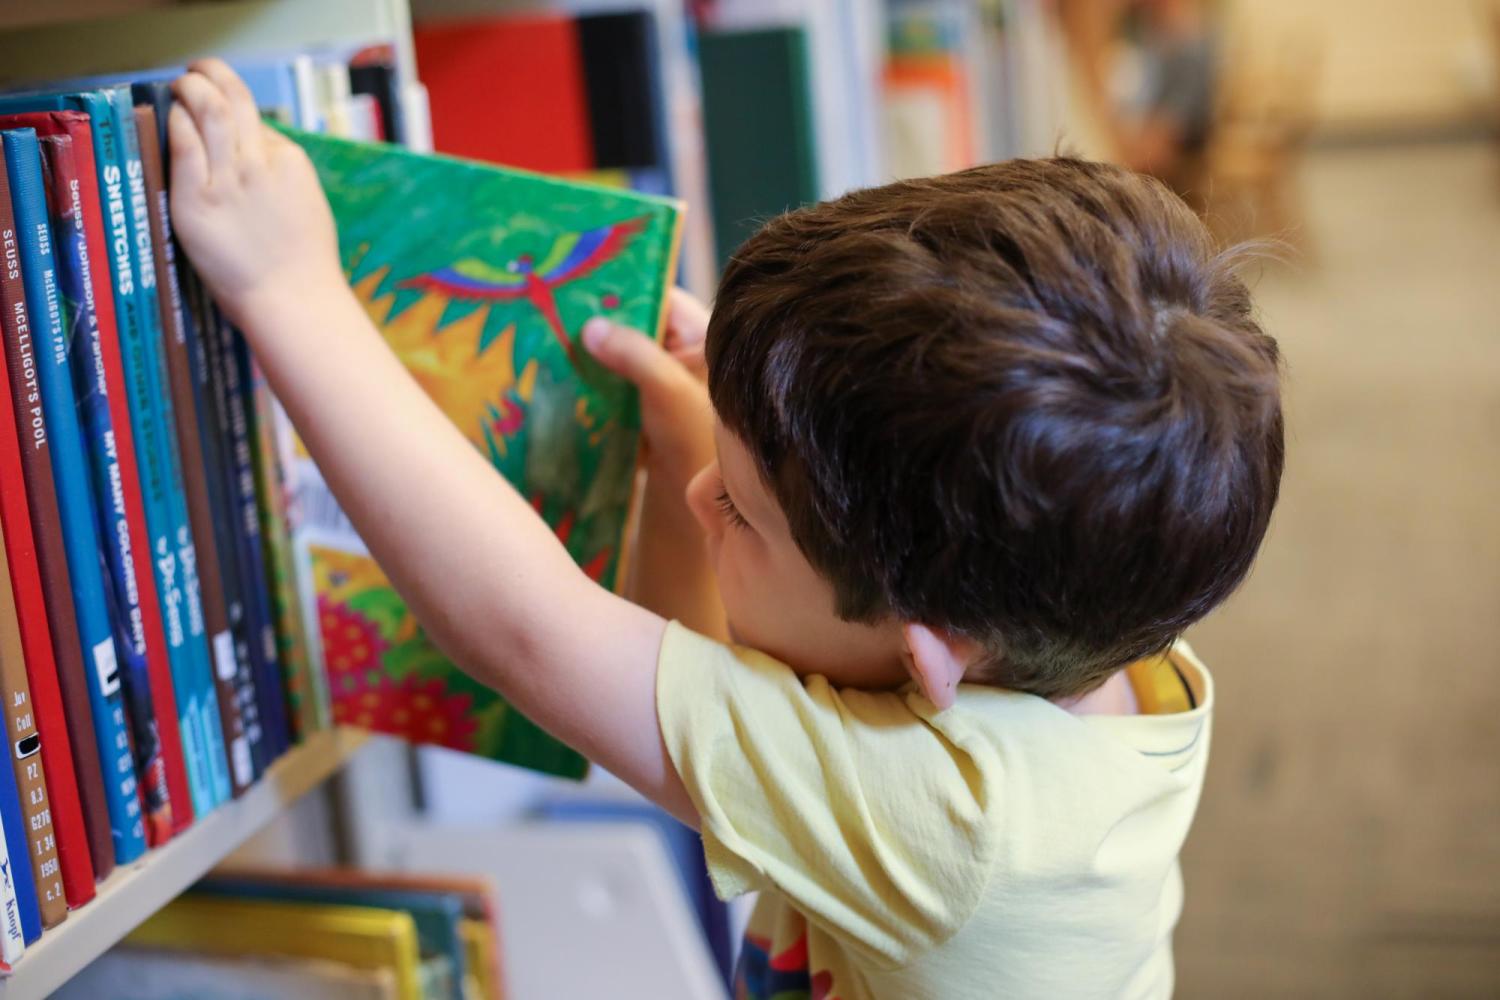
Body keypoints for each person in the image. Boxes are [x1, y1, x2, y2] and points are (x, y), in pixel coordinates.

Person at [168, 59, 1283, 998]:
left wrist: (287, 291)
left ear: (928, 652)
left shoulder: (956, 830)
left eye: (738, 508)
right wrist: (737, 443)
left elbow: (525, 631)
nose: (704, 493)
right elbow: (760, 664)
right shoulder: (1090, 612)